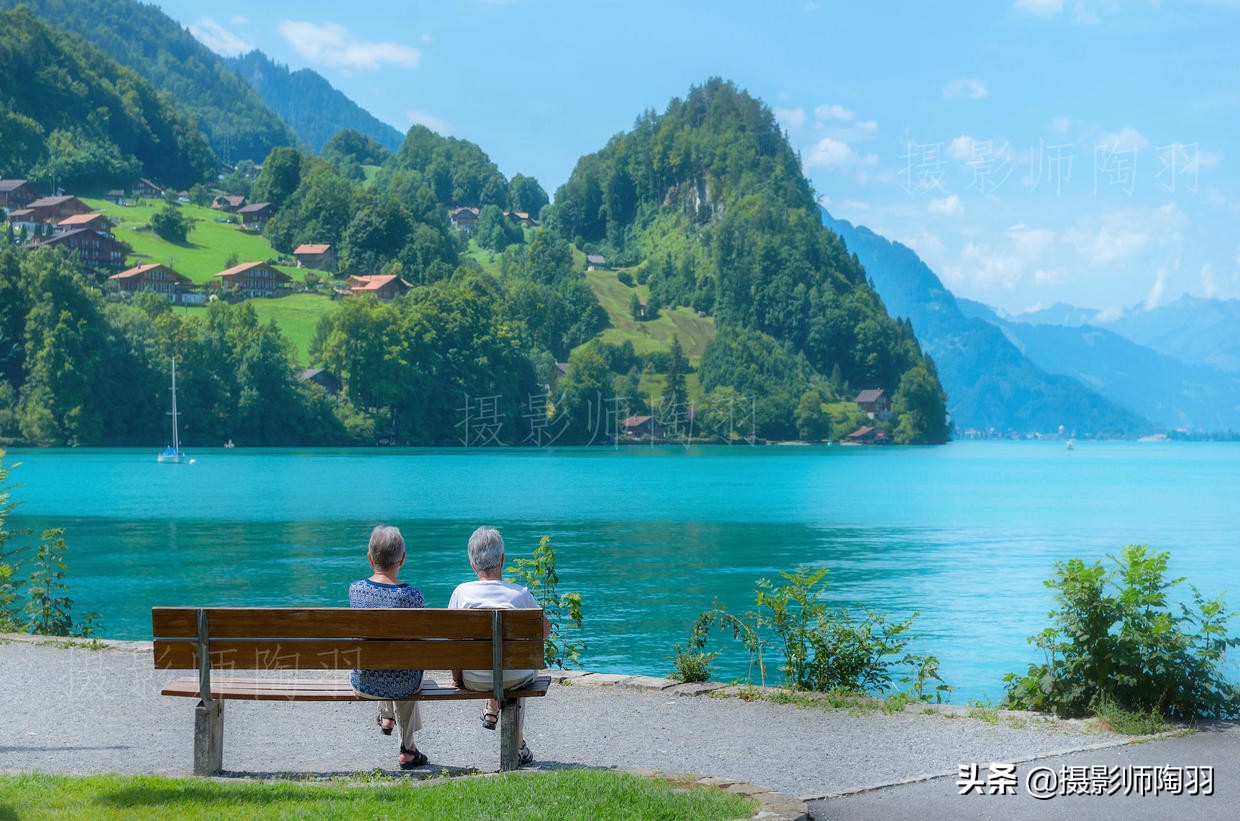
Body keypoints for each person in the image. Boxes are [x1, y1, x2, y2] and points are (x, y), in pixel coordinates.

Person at [448, 526, 551, 767]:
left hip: (475, 678)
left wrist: (458, 679)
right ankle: (517, 747)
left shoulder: (462, 593)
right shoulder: (519, 594)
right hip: (515, 677)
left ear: (473, 565)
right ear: (503, 560)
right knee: (515, 669)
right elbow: (544, 630)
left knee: (501, 667)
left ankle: (493, 708)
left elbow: (451, 643)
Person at [348, 525, 428, 769]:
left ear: (370, 558)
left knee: (382, 655)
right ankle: (408, 747)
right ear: (402, 559)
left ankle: (386, 716)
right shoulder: (413, 597)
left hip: (365, 682)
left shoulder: (356, 591)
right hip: (405, 682)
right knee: (406, 666)